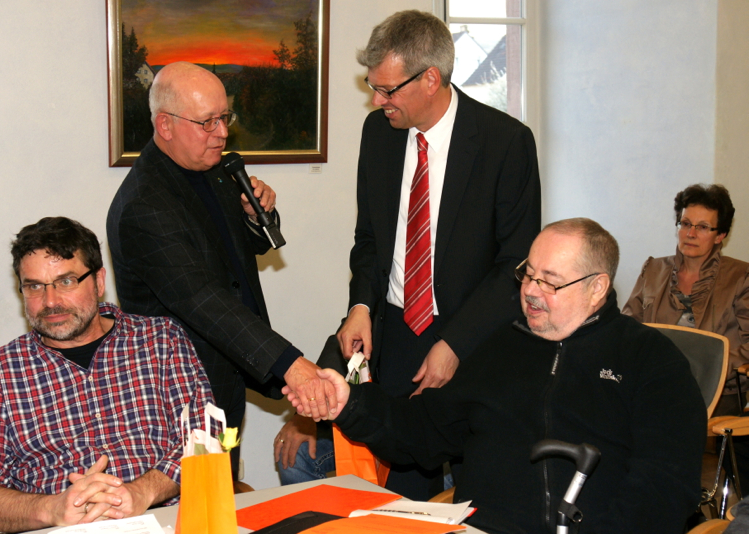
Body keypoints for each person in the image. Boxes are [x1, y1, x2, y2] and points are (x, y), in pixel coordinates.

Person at [288, 218, 706, 534]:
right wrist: (350, 403)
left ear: (597, 288)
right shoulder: (501, 348)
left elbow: (664, 486)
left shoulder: (650, 360)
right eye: (529, 274)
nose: (531, 291)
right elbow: (422, 431)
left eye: (550, 282)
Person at [275, 10, 540, 499]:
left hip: (474, 344)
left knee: (474, 496)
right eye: (373, 87)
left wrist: (454, 344)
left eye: (387, 89)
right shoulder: (379, 134)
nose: (378, 100)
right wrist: (360, 306)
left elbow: (516, 266)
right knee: (401, 498)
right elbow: (368, 239)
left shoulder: (505, 142)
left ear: (430, 79)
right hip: (396, 336)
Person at [107, 62, 336, 471]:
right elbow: (202, 298)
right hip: (176, 399)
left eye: (224, 117)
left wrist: (255, 216)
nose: (222, 133)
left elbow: (235, 254)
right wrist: (288, 364)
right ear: (165, 125)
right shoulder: (143, 205)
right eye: (207, 122)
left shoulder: (211, 170)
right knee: (194, 501)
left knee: (223, 492)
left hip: (224, 380)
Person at [0, 217, 214, 534]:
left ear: (99, 281)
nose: (50, 301)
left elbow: (206, 438)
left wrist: (142, 492)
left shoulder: (161, 340)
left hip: (165, 521)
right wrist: (53, 508)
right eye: (34, 286)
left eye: (66, 281)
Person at [623, 183, 749, 414]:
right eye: (686, 224)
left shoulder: (741, 277)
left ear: (720, 235)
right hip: (654, 387)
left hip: (716, 394)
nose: (690, 234)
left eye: (703, 227)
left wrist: (710, 369)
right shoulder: (653, 269)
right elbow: (627, 330)